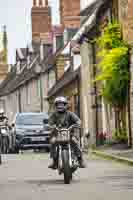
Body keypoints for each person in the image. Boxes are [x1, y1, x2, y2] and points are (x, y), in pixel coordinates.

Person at [48, 96, 86, 169]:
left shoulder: (70, 114)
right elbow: (50, 123)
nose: (60, 106)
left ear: (65, 105)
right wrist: (50, 126)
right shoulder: (53, 115)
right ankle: (54, 161)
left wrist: (78, 123)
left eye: (62, 104)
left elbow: (77, 120)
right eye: (58, 104)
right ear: (55, 105)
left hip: (70, 133)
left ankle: (80, 160)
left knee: (75, 141)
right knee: (52, 142)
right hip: (57, 134)